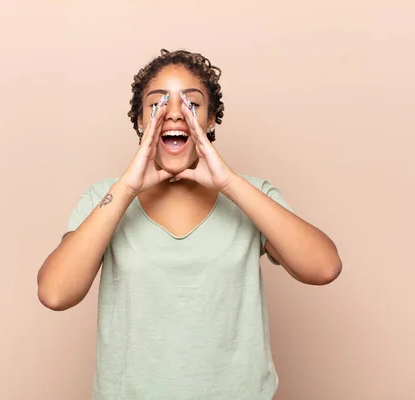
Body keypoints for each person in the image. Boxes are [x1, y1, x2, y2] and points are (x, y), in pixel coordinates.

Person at [37, 49, 342, 400]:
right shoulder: (104, 198)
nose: (174, 113)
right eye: (158, 103)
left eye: (191, 103)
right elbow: (55, 293)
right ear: (139, 120)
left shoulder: (251, 195)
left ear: (211, 120)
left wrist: (229, 183)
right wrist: (126, 189)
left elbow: (324, 267)